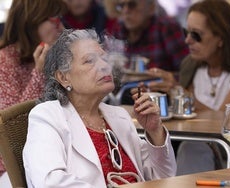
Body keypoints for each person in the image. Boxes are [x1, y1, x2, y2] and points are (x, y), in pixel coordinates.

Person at [22, 29, 176, 187]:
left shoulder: (119, 116)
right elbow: (50, 183)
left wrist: (155, 131)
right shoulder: (47, 116)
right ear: (64, 77)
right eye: (90, 60)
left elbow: (165, 178)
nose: (104, 66)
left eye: (104, 58)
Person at [144, 0, 230, 175]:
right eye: (186, 32)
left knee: (193, 148)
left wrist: (179, 91)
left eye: (196, 35)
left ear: (221, 38)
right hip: (196, 154)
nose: (187, 40)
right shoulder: (191, 66)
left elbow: (228, 123)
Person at [0, 0, 65, 178]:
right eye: (53, 18)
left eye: (60, 17)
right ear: (31, 21)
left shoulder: (53, 55)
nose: (61, 25)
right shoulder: (4, 61)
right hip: (11, 168)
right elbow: (12, 129)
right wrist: (40, 74)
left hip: (50, 155)